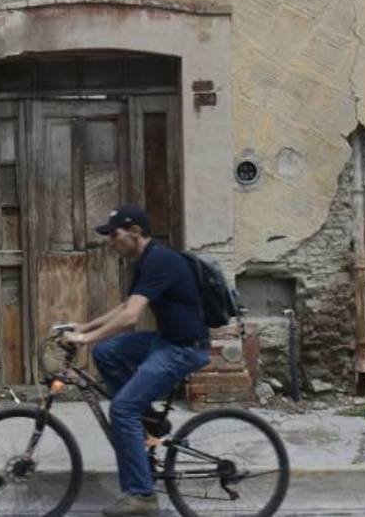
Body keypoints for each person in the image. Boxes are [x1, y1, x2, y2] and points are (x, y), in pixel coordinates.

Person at [62, 204, 211, 517]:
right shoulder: (145, 261)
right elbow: (126, 305)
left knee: (121, 409)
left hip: (183, 349)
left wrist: (85, 339)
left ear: (135, 232)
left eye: (114, 235)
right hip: (165, 341)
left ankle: (142, 496)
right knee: (106, 352)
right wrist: (86, 327)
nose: (110, 242)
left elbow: (130, 317)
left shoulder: (160, 260)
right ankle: (148, 420)